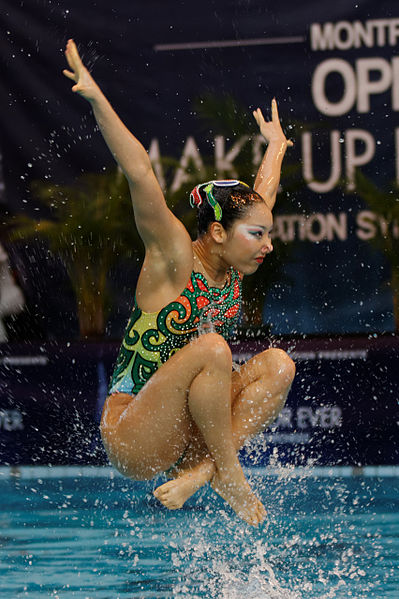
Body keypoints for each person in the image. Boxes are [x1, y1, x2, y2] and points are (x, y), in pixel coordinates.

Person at [63, 39, 295, 526]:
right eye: (257, 235)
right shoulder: (174, 258)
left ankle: (205, 470)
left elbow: (262, 199)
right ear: (216, 233)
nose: (267, 245)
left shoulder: (232, 258)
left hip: (188, 425)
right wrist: (95, 97)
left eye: (266, 234)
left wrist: (275, 147)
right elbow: (140, 173)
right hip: (133, 433)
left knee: (278, 365)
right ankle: (227, 471)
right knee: (213, 347)